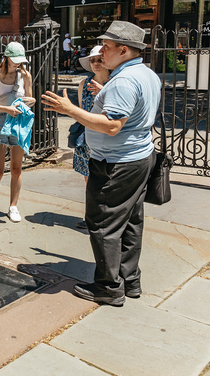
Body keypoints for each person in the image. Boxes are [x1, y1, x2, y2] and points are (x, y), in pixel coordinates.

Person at [41, 21, 161, 307]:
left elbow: (112, 126)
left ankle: (108, 287)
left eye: (106, 47)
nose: (101, 52)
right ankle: (129, 280)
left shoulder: (123, 81)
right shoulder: (145, 74)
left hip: (116, 164)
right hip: (138, 157)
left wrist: (71, 110)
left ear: (123, 50)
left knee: (103, 223)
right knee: (131, 221)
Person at [0, 42, 35, 223]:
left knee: (16, 168)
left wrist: (30, 101)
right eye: (15, 61)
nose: (17, 65)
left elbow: (30, 98)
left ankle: (13, 206)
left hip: (18, 121)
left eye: (20, 62)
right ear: (7, 57)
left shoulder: (25, 75)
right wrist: (8, 110)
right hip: (0, 121)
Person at [72, 45, 109, 228]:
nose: (96, 63)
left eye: (100, 59)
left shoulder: (115, 83)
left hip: (108, 139)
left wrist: (104, 91)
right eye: (92, 60)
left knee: (107, 181)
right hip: (87, 138)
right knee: (89, 180)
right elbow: (81, 112)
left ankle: (107, 218)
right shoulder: (83, 83)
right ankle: (92, 217)